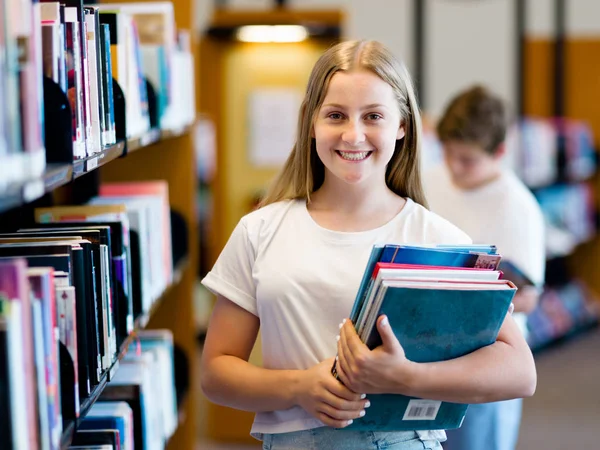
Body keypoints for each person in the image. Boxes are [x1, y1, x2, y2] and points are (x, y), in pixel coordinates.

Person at [200, 41, 537, 450]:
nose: (353, 134)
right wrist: (299, 387)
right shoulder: (260, 230)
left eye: (373, 116)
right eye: (335, 115)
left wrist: (406, 377)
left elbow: (520, 371)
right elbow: (216, 373)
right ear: (311, 122)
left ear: (402, 126)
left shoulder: (439, 239)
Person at [422, 85, 546, 450]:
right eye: (448, 153)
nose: (454, 166)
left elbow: (529, 299)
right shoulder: (431, 180)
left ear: (500, 152)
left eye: (468, 159)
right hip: (429, 345)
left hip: (487, 355)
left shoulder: (519, 207)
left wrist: (482, 303)